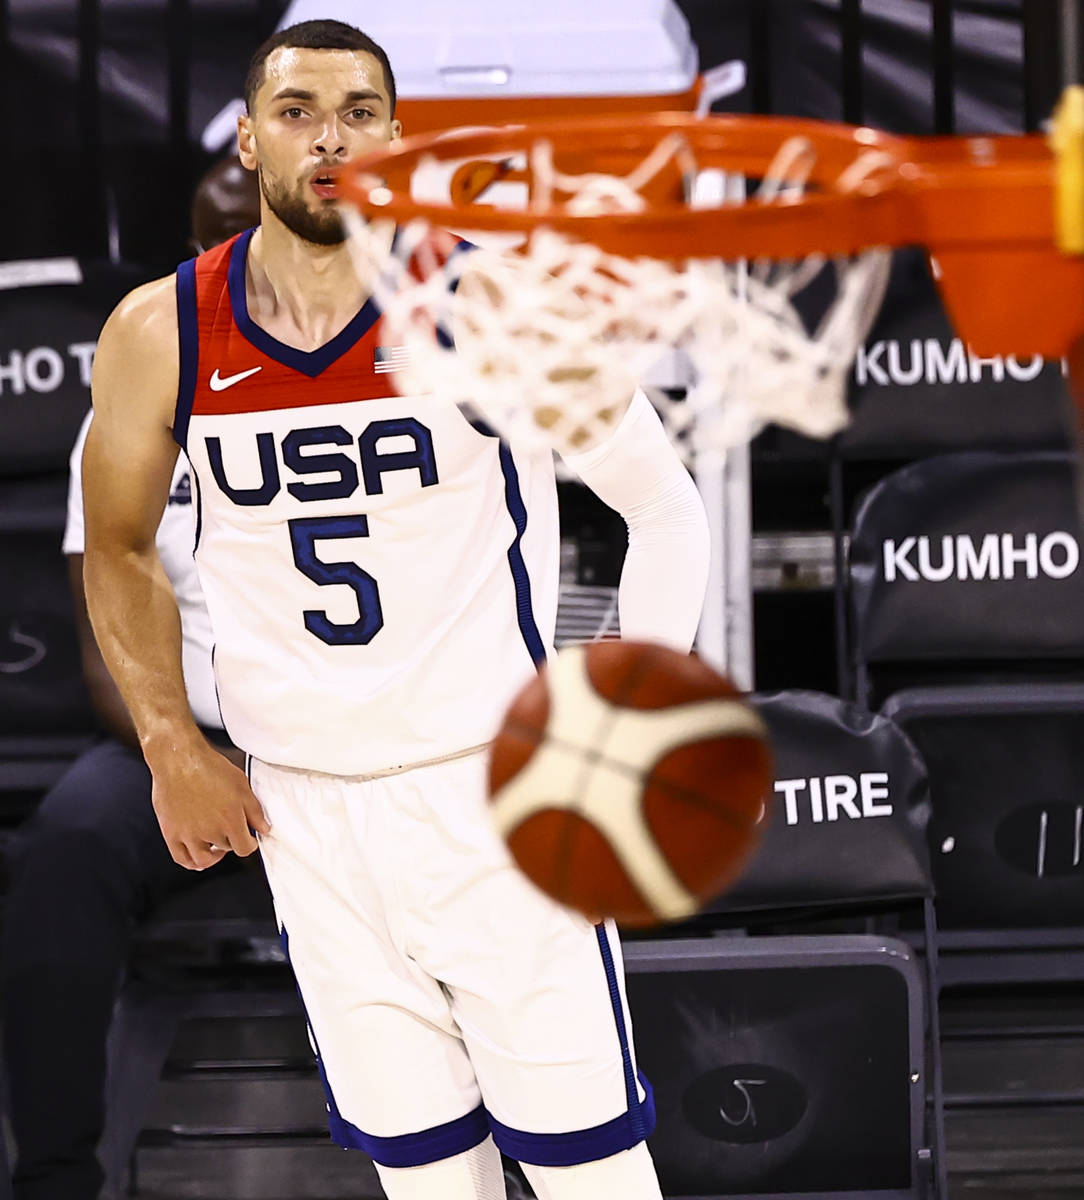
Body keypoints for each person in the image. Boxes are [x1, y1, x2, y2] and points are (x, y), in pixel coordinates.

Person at [81, 20, 711, 1200]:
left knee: (594, 1179)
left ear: (396, 138)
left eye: (358, 113)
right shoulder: (160, 332)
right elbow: (115, 548)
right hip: (306, 814)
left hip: (492, 794)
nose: (330, 138)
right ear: (249, 139)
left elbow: (665, 508)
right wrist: (170, 742)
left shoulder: (492, 304)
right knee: (424, 1182)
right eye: (298, 112)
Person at [1, 158, 260, 1200]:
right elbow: (104, 641)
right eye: (219, 246)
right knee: (64, 856)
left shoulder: (390, 382)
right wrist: (184, 756)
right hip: (180, 738)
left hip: (354, 740)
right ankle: (56, 1178)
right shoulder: (132, 403)